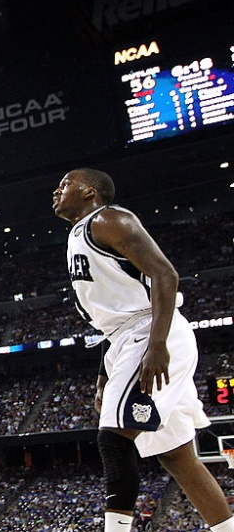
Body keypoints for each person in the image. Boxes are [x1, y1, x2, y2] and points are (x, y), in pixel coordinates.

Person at [53, 168, 234, 532]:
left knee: (114, 439)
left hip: (151, 331)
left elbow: (165, 275)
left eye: (65, 184)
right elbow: (114, 318)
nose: (56, 191)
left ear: (89, 192)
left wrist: (157, 343)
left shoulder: (109, 219)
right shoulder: (80, 234)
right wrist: (105, 374)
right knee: (176, 455)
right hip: (126, 337)